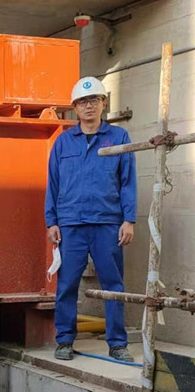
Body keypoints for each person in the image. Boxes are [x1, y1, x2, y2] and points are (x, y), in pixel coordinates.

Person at [45, 76, 137, 362]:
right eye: (82, 101)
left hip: (108, 223)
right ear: (75, 107)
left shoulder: (119, 137)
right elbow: (53, 183)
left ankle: (117, 343)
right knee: (67, 285)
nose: (88, 106)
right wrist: (51, 221)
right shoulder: (63, 142)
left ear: (103, 103)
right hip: (71, 224)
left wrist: (129, 220)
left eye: (94, 100)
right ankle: (64, 341)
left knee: (113, 285)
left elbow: (128, 181)